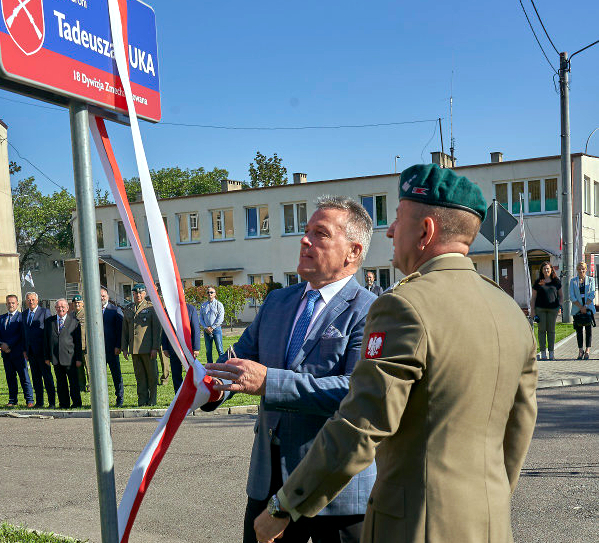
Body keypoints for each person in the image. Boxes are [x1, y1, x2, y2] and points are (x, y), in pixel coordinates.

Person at [253, 164, 538, 543]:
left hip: (415, 525)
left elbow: (361, 425)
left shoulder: (403, 306)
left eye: (398, 219)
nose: (388, 230)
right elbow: (519, 428)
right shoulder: (510, 311)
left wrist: (284, 506)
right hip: (488, 524)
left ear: (425, 232)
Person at [205, 195, 377, 543]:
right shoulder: (278, 302)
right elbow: (234, 362)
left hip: (337, 493)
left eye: (320, 233)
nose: (305, 239)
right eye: (305, 231)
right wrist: (205, 385)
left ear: (353, 252)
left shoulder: (372, 311)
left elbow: (356, 392)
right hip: (269, 483)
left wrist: (271, 382)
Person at [121, 283, 164, 406]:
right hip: (134, 349)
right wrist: (124, 348)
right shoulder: (128, 309)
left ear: (144, 294)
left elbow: (157, 329)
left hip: (148, 348)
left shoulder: (151, 307)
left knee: (152, 376)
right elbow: (124, 330)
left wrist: (155, 347)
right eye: (135, 293)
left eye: (140, 293)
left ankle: (152, 400)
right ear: (132, 295)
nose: (138, 295)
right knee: (140, 377)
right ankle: (142, 400)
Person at [0, 294, 34, 407]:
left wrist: (9, 344)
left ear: (17, 304)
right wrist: (1, 344)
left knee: (24, 377)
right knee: (10, 377)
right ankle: (12, 400)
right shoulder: (2, 318)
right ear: (6, 304)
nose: (11, 305)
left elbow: (20, 334)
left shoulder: (21, 317)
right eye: (8, 303)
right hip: (6, 354)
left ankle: (29, 400)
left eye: (13, 303)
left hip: (18, 352)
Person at [44, 298, 83, 409]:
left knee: (73, 382)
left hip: (70, 358)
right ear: (55, 308)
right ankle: (63, 403)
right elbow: (46, 341)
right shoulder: (49, 322)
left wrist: (79, 359)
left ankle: (76, 403)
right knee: (61, 383)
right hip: (56, 358)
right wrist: (47, 357)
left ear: (67, 308)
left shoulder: (74, 322)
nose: (60, 309)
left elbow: (78, 342)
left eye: (63, 307)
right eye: (58, 307)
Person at [23, 291, 55, 407]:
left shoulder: (44, 312)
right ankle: (39, 402)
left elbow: (49, 332)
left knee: (47, 378)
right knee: (36, 379)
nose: (31, 302)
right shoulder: (24, 314)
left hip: (43, 351)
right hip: (31, 352)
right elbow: (24, 333)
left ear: (37, 300)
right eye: (29, 300)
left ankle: (52, 402)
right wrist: (25, 350)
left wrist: (48, 352)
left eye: (33, 300)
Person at [162, 296, 200, 393]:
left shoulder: (190, 309)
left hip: (188, 347)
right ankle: (178, 394)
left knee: (190, 372)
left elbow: (195, 329)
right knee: (176, 373)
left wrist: (196, 348)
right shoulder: (168, 310)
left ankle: (192, 393)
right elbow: (165, 329)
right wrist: (165, 347)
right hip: (173, 347)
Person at [531, 261, 562, 361]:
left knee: (551, 331)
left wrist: (559, 306)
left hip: (553, 310)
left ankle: (551, 353)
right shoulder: (538, 282)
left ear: (551, 269)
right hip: (540, 309)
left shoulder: (556, 281)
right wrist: (532, 311)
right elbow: (533, 297)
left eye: (548, 268)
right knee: (541, 331)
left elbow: (561, 296)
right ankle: (543, 353)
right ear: (542, 270)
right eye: (544, 269)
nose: (546, 270)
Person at [101, 287, 124, 407]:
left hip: (112, 348)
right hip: (99, 351)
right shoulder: (93, 310)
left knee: (116, 374)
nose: (101, 298)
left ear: (108, 297)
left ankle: (119, 398)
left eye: (103, 296)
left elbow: (120, 330)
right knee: (100, 377)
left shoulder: (115, 310)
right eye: (99, 296)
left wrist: (118, 346)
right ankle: (101, 400)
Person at [569, 261, 595, 360]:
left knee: (588, 330)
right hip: (577, 308)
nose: (581, 270)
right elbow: (572, 296)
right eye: (579, 269)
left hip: (588, 308)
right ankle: (580, 350)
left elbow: (592, 294)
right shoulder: (573, 281)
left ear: (586, 269)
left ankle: (587, 350)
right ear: (577, 270)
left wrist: (585, 306)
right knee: (578, 330)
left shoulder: (591, 280)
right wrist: (580, 307)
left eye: (583, 269)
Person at [200, 287, 224, 363]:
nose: (209, 294)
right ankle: (210, 367)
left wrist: (213, 327)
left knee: (220, 350)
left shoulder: (219, 304)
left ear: (215, 294)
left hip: (216, 329)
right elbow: (201, 318)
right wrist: (205, 327)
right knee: (208, 350)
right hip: (206, 331)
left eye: (211, 292)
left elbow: (220, 318)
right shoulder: (203, 305)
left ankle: (222, 366)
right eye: (208, 293)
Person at [72, 294, 90, 392]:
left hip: (85, 346)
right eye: (75, 303)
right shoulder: (71, 315)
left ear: (83, 303)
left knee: (89, 368)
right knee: (78, 368)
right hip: (75, 347)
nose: (77, 304)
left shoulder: (87, 314)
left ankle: (91, 386)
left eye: (78, 302)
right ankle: (81, 386)